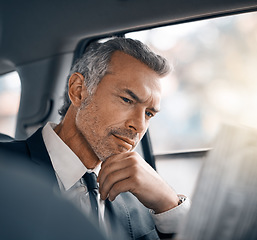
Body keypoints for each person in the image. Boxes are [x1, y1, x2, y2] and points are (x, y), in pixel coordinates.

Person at [0, 37, 190, 239]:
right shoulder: (6, 169)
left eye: (149, 114)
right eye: (127, 100)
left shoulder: (144, 199)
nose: (139, 125)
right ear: (79, 90)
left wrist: (168, 204)